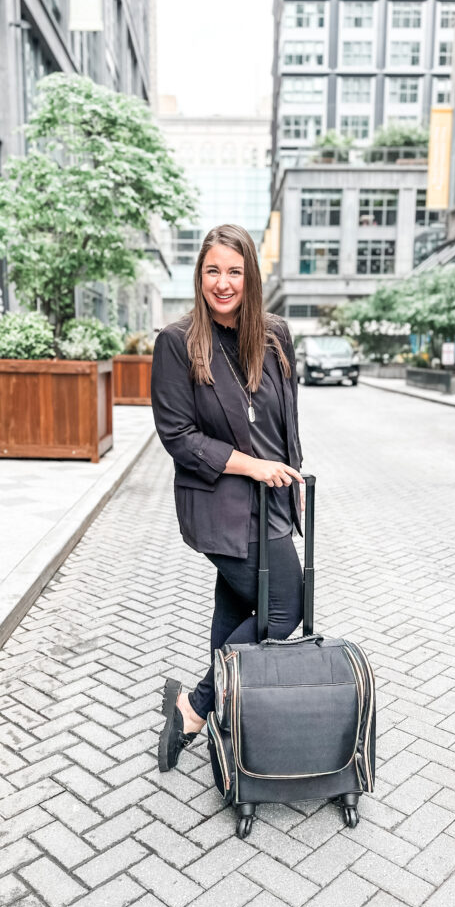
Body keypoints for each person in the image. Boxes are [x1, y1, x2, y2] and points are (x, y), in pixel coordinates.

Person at [150, 223, 305, 772]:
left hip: (276, 505)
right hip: (221, 507)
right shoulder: (177, 342)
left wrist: (291, 476)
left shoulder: (275, 335)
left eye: (234, 271)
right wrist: (256, 467)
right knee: (286, 606)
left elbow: (285, 420)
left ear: (250, 276)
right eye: (212, 270)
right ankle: (196, 705)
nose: (223, 282)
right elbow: (178, 437)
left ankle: (226, 717)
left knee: (239, 605)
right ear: (199, 275)